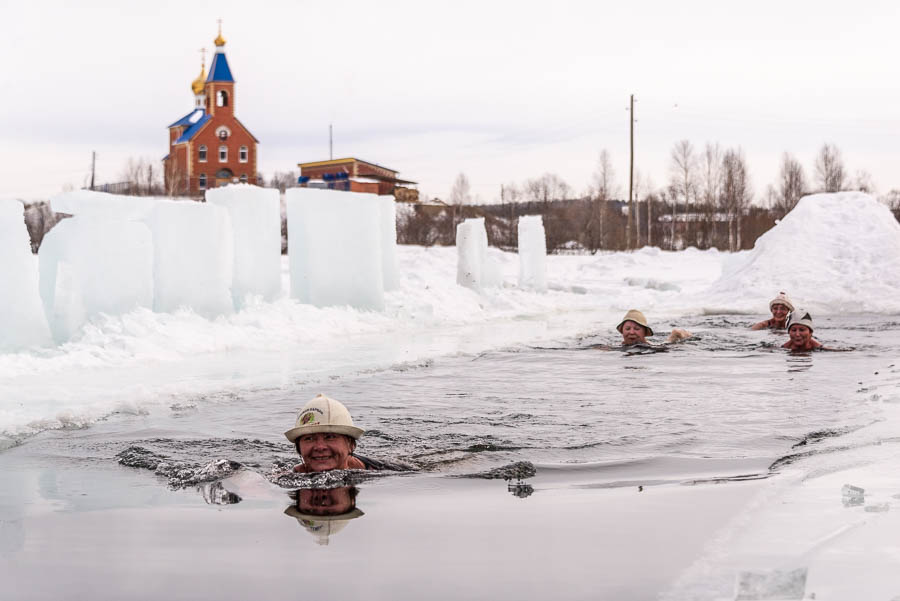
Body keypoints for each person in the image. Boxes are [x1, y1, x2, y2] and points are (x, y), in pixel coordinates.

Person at [285, 394, 368, 473]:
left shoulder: (375, 471)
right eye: (309, 438)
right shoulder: (285, 477)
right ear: (299, 448)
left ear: (351, 444)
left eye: (330, 437)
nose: (320, 447)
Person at [616, 309, 692, 346]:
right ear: (622, 331)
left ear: (645, 332)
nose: (631, 332)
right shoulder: (618, 347)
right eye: (627, 329)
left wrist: (675, 337)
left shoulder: (650, 347)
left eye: (636, 329)